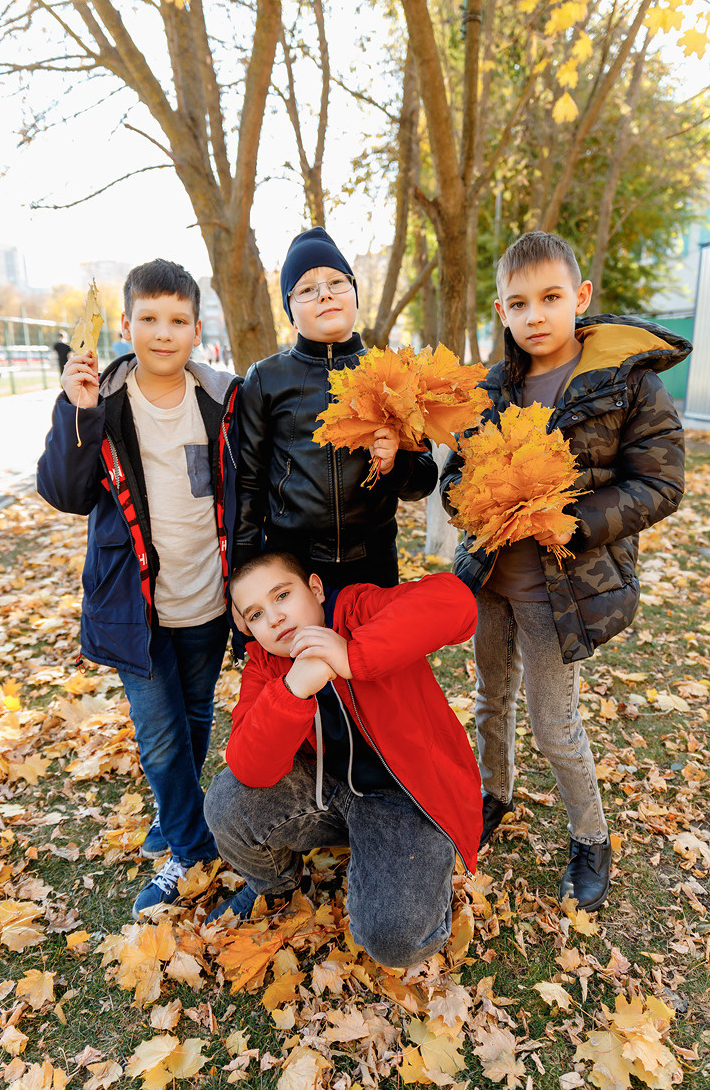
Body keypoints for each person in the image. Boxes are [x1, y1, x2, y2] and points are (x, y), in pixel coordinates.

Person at [441, 231, 689, 912]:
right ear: (500, 311)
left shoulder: (625, 381)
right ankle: (494, 794)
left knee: (555, 725)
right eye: (519, 304)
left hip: (563, 591)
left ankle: (590, 836)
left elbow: (661, 482)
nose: (535, 315)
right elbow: (454, 477)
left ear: (578, 298)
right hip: (492, 582)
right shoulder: (492, 387)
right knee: (490, 700)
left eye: (550, 298)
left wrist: (573, 522)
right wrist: (467, 500)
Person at [36, 259, 241, 919]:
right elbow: (67, 494)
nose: (162, 333)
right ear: (126, 325)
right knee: (158, 734)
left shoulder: (221, 399)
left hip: (207, 597)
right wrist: (79, 411)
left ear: (195, 326)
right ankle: (192, 848)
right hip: (135, 605)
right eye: (148, 319)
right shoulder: (100, 397)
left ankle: (173, 815)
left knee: (193, 716)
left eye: (176, 320)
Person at [202, 551, 482, 968]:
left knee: (395, 940)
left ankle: (411, 874)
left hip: (406, 796)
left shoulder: (358, 610)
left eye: (282, 595)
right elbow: (249, 766)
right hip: (330, 790)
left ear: (315, 588)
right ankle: (280, 886)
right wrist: (293, 689)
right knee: (226, 802)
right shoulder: (264, 665)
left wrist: (354, 656)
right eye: (256, 614)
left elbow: (456, 603)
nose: (275, 618)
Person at [234, 226, 438, 590]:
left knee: (371, 649)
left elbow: (422, 479)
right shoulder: (266, 379)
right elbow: (248, 484)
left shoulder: (391, 373)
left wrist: (394, 464)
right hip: (292, 567)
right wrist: (245, 576)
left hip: (374, 564)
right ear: (290, 311)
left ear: (355, 294)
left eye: (336, 282)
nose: (325, 294)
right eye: (307, 289)